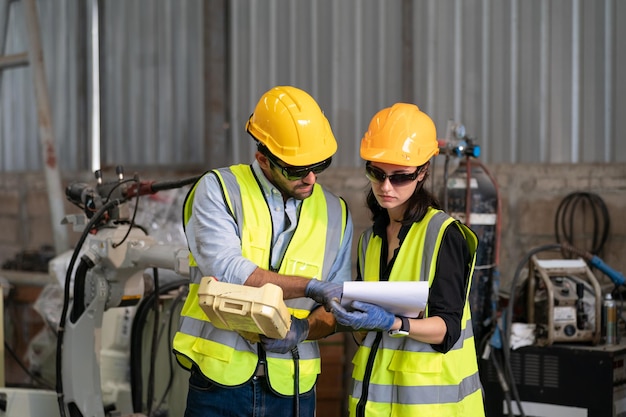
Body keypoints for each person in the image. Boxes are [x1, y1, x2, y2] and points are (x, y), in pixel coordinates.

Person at [172, 85, 354, 417]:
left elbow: (335, 307)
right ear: (263, 159)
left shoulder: (336, 213)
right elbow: (227, 268)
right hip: (219, 383)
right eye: (297, 170)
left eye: (320, 165)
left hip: (292, 388)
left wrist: (303, 330)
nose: (311, 179)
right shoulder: (220, 190)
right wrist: (309, 286)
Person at [330, 103, 485, 416]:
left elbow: (447, 329)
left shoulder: (443, 235)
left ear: (423, 171)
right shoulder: (369, 241)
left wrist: (394, 322)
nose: (385, 187)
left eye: (400, 177)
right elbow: (366, 332)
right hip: (373, 406)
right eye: (376, 173)